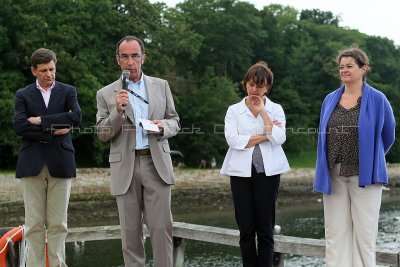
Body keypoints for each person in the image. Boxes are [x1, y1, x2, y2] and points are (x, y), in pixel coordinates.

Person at [96, 36, 180, 267]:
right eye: (125, 56)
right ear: (117, 60)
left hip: (156, 164)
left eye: (135, 56)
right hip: (125, 167)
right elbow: (103, 133)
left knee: (162, 230)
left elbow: (175, 121)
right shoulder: (105, 93)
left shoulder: (161, 85)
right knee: (130, 235)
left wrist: (164, 126)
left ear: (143, 57)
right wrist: (117, 111)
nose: (130, 61)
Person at [314, 46, 395, 267]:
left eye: (349, 66)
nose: (344, 70)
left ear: (363, 69)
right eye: (341, 67)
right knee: (335, 233)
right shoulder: (330, 99)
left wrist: (371, 158)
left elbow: (388, 134)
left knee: (365, 235)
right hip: (333, 174)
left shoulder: (378, 99)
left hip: (365, 176)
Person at [13, 48, 82, 267]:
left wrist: (41, 120)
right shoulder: (22, 95)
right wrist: (53, 129)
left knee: (58, 224)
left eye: (52, 69)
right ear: (34, 71)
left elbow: (76, 117)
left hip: (61, 162)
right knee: (33, 224)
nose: (49, 74)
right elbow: (20, 126)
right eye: (43, 70)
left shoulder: (68, 91)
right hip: (31, 164)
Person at [220, 61, 290, 267]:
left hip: (268, 174)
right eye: (251, 84)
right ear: (245, 84)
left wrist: (263, 113)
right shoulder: (234, 110)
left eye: (260, 86)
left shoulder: (275, 109)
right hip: (240, 174)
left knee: (266, 230)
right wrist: (265, 134)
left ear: (268, 87)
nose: (255, 90)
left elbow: (279, 138)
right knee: (246, 230)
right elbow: (234, 141)